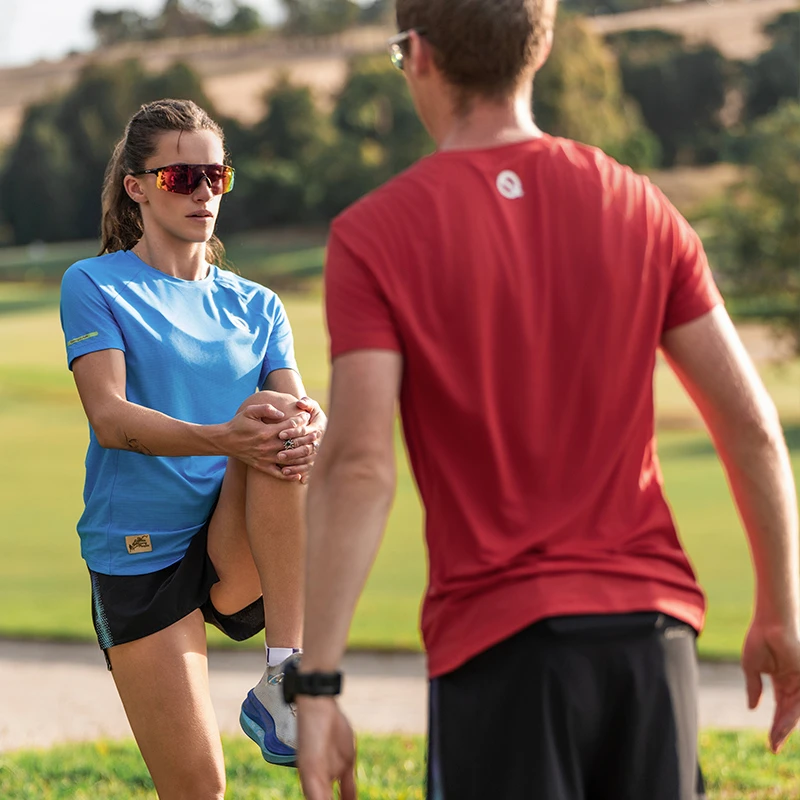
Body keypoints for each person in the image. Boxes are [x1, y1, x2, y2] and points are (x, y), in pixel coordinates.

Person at [292, 1, 800, 799]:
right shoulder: (642, 205)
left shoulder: (373, 235)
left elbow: (359, 466)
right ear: (543, 47)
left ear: (418, 54)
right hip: (650, 640)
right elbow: (751, 426)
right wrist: (781, 609)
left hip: (500, 651)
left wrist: (316, 688)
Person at [59, 98, 324, 800]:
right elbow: (110, 418)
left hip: (235, 538)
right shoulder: (94, 284)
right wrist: (226, 436)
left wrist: (311, 421)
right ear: (137, 187)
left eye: (215, 175)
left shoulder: (259, 305)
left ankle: (286, 678)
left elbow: (294, 409)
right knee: (199, 790)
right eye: (182, 178)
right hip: (139, 555)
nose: (204, 191)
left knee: (283, 424)